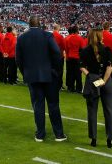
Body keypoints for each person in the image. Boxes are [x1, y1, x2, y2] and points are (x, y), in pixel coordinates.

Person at [15, 15, 66, 143]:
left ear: (29, 24)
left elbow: (18, 60)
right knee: (53, 105)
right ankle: (59, 134)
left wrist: (25, 73)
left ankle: (40, 134)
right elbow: (57, 54)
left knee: (38, 106)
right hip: (49, 76)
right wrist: (56, 71)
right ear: (40, 24)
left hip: (32, 77)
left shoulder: (21, 38)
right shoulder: (47, 35)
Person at [80, 28, 112, 148]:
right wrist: (103, 81)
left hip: (92, 80)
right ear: (100, 37)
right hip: (106, 81)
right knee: (109, 111)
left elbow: (82, 67)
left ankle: (93, 139)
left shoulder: (85, 50)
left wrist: (90, 76)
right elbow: (109, 67)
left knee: (92, 110)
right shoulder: (107, 49)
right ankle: (109, 139)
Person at [65, 26, 85, 93]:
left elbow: (67, 48)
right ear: (77, 31)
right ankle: (78, 89)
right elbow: (83, 49)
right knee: (78, 74)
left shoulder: (69, 38)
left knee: (71, 73)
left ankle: (71, 87)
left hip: (70, 57)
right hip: (77, 58)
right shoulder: (80, 38)